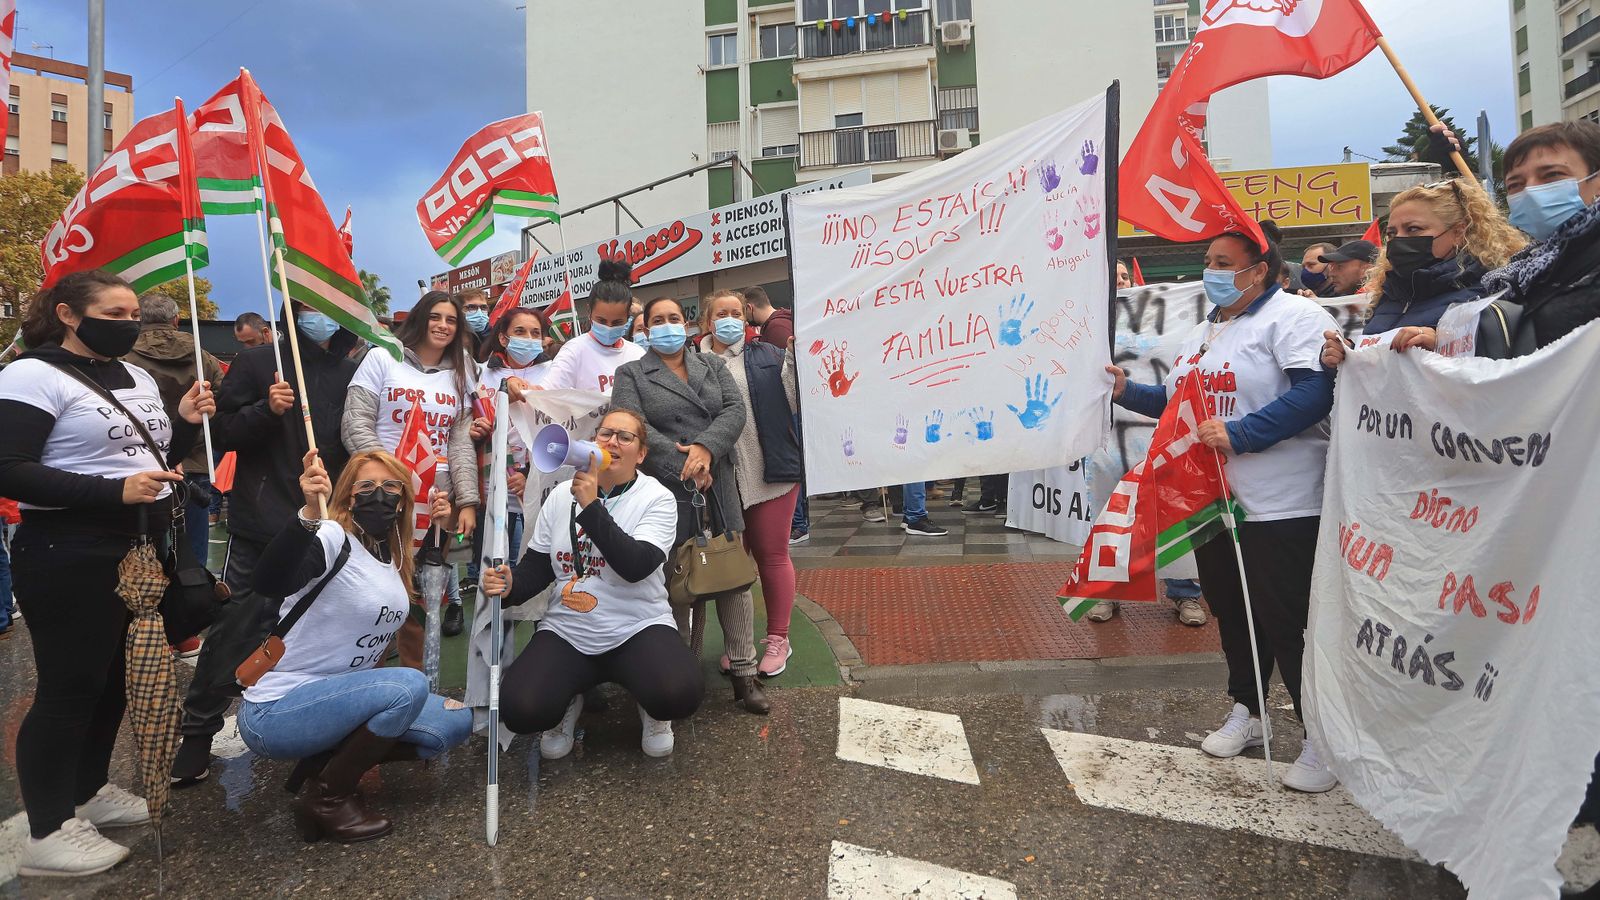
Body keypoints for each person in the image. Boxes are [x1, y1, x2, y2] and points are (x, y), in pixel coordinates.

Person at [1106, 231, 1339, 793]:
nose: (1210, 270)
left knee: (1289, 621)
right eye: (1208, 260)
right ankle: (1249, 710)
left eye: (1223, 262)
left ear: (1258, 270)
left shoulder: (1294, 318)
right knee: (1233, 612)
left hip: (1281, 502)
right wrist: (1125, 390)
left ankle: (1321, 737)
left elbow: (1316, 391)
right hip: (1213, 501)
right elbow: (1176, 403)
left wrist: (1243, 433)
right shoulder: (1205, 331)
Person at [0, 270, 214, 876]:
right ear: (68, 314)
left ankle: (88, 791)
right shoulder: (30, 375)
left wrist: (186, 423)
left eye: (133, 315)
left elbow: (147, 457)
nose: (128, 324)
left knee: (113, 680)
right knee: (69, 689)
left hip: (138, 550)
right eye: (114, 314)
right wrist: (111, 492)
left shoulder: (138, 377)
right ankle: (46, 830)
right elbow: (9, 467)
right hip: (68, 549)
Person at [170, 299, 363, 785]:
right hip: (265, 521)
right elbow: (221, 434)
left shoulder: (351, 371)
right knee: (237, 627)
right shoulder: (259, 362)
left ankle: (320, 731)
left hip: (330, 525)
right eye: (310, 306)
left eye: (329, 305)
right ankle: (198, 732)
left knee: (319, 631)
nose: (322, 315)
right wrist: (266, 410)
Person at [237, 448, 472, 843]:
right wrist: (308, 512)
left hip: (340, 701)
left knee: (453, 721)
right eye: (366, 486)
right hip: (279, 707)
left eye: (390, 487)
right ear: (348, 494)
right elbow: (270, 581)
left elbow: (429, 575)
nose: (378, 495)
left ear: (402, 500)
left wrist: (442, 528)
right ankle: (328, 799)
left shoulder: (392, 555)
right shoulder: (332, 536)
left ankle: (330, 761)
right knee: (407, 687)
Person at [484, 409, 704, 757]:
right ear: (593, 441)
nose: (612, 442)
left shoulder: (656, 498)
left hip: (637, 626)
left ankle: (652, 709)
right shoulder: (561, 496)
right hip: (568, 629)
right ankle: (569, 699)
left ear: (641, 454)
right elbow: (538, 569)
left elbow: (635, 565)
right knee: (520, 709)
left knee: (679, 695)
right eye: (605, 434)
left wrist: (590, 506)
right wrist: (511, 585)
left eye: (625, 437)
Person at [612, 295, 768, 713]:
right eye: (657, 320)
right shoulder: (631, 373)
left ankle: (745, 672)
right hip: (666, 488)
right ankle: (680, 671)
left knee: (732, 575)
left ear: (686, 324)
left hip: (718, 482)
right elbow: (630, 424)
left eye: (674, 318)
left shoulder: (712, 364)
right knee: (675, 580)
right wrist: (686, 464)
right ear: (646, 329)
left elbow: (734, 410)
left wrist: (706, 449)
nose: (667, 326)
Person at [342, 290, 480, 663]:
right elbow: (355, 423)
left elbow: (460, 442)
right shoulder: (382, 358)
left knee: (420, 603)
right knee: (371, 597)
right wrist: (390, 478)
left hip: (436, 505)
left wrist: (467, 501)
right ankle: (363, 679)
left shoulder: (463, 371)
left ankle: (415, 681)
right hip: (381, 499)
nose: (443, 326)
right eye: (436, 317)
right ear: (420, 318)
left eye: (451, 320)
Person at [699, 290, 803, 679]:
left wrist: (794, 359)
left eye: (735, 312)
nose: (728, 319)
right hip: (720, 480)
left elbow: (794, 401)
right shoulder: (693, 364)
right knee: (731, 564)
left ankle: (779, 638)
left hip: (770, 472)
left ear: (745, 316)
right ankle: (739, 644)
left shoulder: (769, 354)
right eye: (720, 313)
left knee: (772, 555)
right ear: (708, 321)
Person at [1318, 179, 1527, 370]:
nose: (1398, 239)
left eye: (1413, 229)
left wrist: (1444, 347)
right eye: (1391, 233)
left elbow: (1506, 370)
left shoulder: (1491, 292)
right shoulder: (1390, 294)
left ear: (1458, 233)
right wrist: (1347, 354)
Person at [124, 293, 227, 577]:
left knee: (145, 545)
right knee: (194, 548)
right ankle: (195, 592)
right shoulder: (202, 356)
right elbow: (223, 398)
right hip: (195, 459)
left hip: (142, 463)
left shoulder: (123, 356)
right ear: (176, 320)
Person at [538, 260, 644, 394]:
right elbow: (545, 393)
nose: (609, 327)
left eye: (617, 322)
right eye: (601, 321)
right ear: (589, 312)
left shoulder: (638, 354)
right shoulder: (574, 351)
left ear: (628, 317)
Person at [459, 288, 492, 358]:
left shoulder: (496, 340)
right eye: (472, 307)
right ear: (459, 310)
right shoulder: (451, 340)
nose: (479, 313)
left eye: (483, 307)